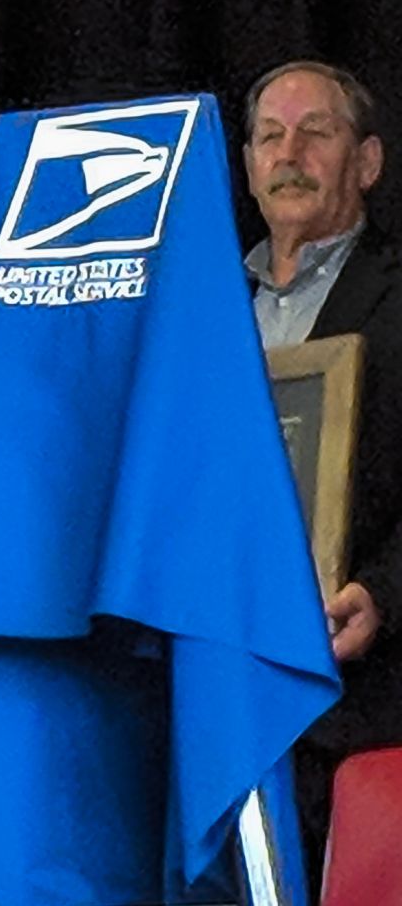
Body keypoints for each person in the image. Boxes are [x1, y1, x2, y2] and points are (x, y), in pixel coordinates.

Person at [241, 59, 402, 890]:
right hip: (206, 691)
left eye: (316, 132)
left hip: (352, 705)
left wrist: (381, 591)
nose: (289, 152)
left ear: (367, 162)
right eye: (270, 136)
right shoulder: (196, 307)